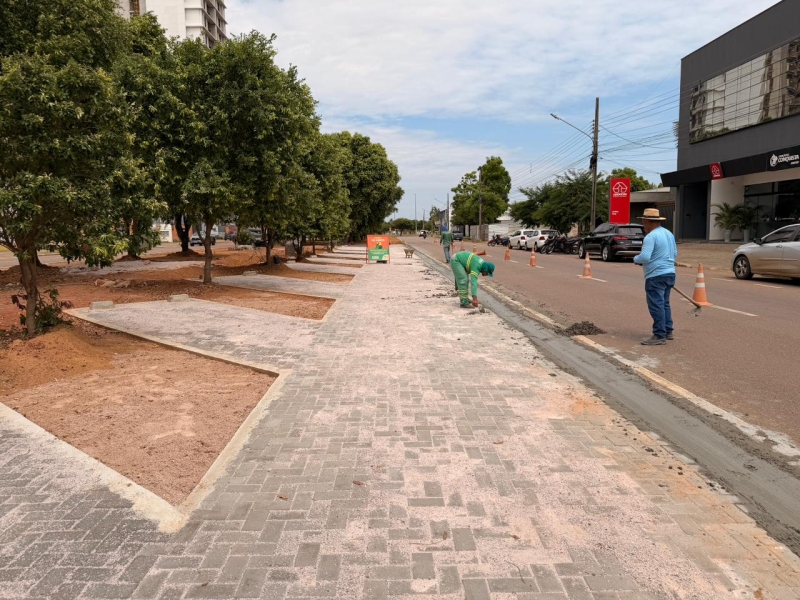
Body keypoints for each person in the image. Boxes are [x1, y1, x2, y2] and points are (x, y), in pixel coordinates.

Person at [633, 208, 678, 345]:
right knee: (664, 303)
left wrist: (636, 259)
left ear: (648, 222)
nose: (643, 226)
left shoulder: (651, 237)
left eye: (643, 223)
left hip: (655, 275)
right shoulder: (668, 233)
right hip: (670, 272)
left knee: (656, 305)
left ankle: (659, 335)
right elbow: (675, 253)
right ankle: (668, 330)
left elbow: (645, 257)